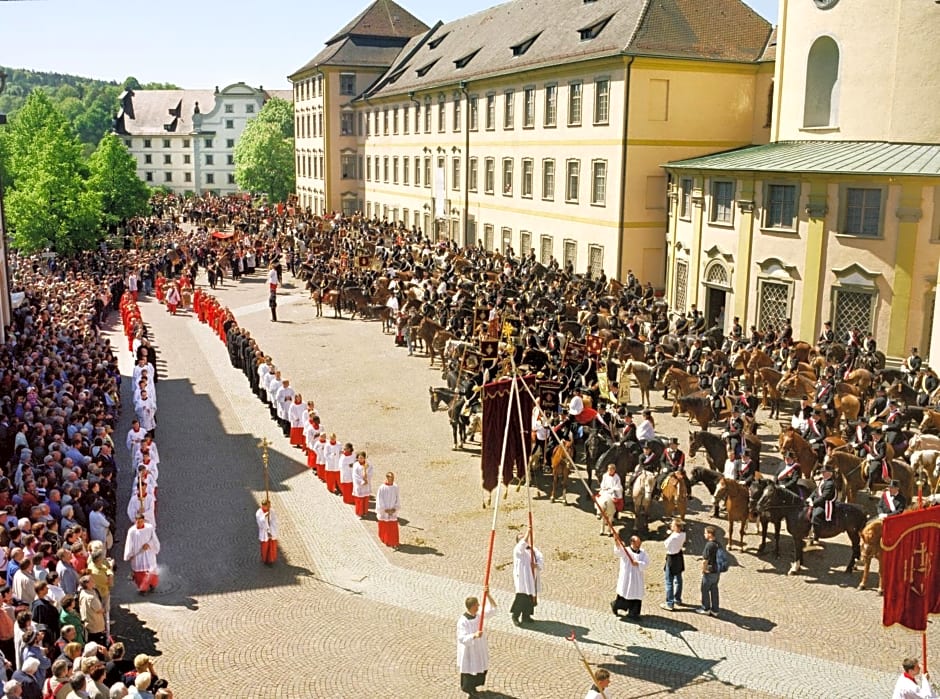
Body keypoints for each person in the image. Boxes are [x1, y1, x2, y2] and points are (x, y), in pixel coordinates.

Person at [456, 592, 496, 696]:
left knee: (479, 667)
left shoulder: (479, 615)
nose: (479, 606)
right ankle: (469, 689)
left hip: (479, 648)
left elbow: (492, 609)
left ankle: (475, 686)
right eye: (477, 604)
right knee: (470, 669)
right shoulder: (463, 621)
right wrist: (474, 635)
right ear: (472, 606)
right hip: (469, 650)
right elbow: (462, 638)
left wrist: (488, 595)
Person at [610, 535, 649, 619]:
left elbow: (646, 563)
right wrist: (617, 542)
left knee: (637, 596)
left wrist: (638, 563)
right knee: (625, 595)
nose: (639, 544)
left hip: (637, 578)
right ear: (632, 542)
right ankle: (615, 605)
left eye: (640, 542)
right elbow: (618, 551)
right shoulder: (626, 551)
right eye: (638, 543)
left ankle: (633, 613)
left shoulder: (643, 552)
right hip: (628, 577)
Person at [509, 531, 543, 625]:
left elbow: (540, 557)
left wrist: (536, 565)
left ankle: (526, 616)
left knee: (530, 597)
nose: (525, 539)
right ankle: (515, 616)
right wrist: (528, 531)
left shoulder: (532, 549)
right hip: (523, 578)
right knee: (521, 597)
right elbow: (522, 544)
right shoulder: (518, 550)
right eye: (521, 538)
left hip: (532, 577)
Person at [122, 514, 160, 594]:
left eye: (141, 521)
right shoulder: (132, 531)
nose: (139, 523)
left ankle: (152, 585)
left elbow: (154, 539)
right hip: (137, 555)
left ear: (144, 520)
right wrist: (129, 554)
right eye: (137, 522)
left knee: (151, 570)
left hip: (148, 553)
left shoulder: (149, 528)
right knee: (139, 573)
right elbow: (129, 543)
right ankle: (142, 588)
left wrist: (149, 544)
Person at [661, 519, 686, 611]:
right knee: (678, 579)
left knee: (669, 581)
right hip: (679, 556)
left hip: (671, 558)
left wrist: (671, 534)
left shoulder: (673, 537)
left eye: (672, 525)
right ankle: (677, 599)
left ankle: (669, 603)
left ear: (676, 527)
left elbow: (666, 545)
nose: (671, 526)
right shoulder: (683, 534)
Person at [697, 526, 721, 617]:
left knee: (705, 589)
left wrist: (703, 570)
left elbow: (705, 560)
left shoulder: (709, 545)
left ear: (710, 534)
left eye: (705, 533)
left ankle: (705, 608)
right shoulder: (718, 544)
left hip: (709, 571)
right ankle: (715, 610)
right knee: (714, 590)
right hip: (717, 571)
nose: (704, 534)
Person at [809, 464, 838, 537]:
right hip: (819, 500)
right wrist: (810, 497)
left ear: (830, 474)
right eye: (822, 472)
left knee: (815, 516)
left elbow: (824, 497)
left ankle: (816, 534)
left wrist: (813, 503)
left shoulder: (830, 484)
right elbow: (816, 491)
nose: (822, 473)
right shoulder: (823, 480)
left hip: (825, 504)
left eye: (824, 472)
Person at [374, 472, 400, 549]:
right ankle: (385, 540)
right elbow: (379, 499)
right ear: (387, 478)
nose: (391, 479)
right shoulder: (382, 488)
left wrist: (395, 508)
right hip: (384, 511)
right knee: (384, 527)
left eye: (392, 478)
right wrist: (384, 509)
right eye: (390, 478)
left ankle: (394, 542)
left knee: (393, 528)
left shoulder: (395, 487)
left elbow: (397, 498)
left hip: (392, 511)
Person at [255, 500, 278, 565]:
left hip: (271, 530)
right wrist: (264, 517)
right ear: (263, 506)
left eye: (269, 505)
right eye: (267, 506)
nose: (269, 507)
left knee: (272, 546)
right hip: (264, 532)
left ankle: (271, 559)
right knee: (265, 547)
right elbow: (260, 523)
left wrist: (271, 530)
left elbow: (274, 520)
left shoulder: (271, 510)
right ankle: (265, 560)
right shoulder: (259, 513)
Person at [351, 452, 373, 518]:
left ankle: (365, 511)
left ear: (364, 458)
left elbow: (371, 472)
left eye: (362, 458)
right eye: (359, 458)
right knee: (359, 500)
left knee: (365, 499)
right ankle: (359, 513)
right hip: (359, 485)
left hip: (366, 484)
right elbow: (355, 476)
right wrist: (362, 482)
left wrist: (366, 471)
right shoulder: (356, 465)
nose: (361, 459)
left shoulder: (368, 464)